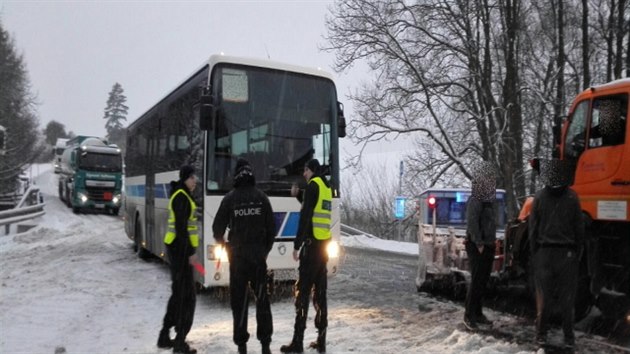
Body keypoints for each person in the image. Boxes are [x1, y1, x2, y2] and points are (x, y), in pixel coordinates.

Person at [213, 158, 276, 354]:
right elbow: (272, 231)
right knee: (262, 301)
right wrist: (263, 252)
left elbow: (217, 229)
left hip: (238, 260)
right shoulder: (262, 198)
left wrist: (226, 247)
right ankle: (265, 344)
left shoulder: (230, 199)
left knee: (239, 303)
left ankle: (242, 345)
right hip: (258, 260)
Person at [529, 158, 584, 351]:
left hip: (545, 253)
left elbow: (532, 229)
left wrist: (536, 252)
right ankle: (568, 337)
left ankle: (541, 335)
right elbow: (580, 229)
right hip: (567, 254)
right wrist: (576, 252)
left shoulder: (539, 198)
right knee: (567, 299)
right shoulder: (572, 197)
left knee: (544, 299)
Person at [281, 159, 332, 354]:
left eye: (305, 171)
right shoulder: (326, 186)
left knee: (302, 294)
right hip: (323, 248)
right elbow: (315, 204)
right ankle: (322, 339)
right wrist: (299, 196)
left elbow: (306, 215)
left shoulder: (313, 185)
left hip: (310, 249)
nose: (303, 174)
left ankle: (297, 342)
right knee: (320, 295)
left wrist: (296, 245)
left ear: (311, 171)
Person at [157, 165, 199, 354]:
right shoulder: (181, 197)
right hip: (180, 250)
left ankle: (165, 335)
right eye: (192, 178)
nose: (195, 181)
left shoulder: (182, 195)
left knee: (178, 294)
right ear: (184, 179)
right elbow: (182, 228)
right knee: (187, 296)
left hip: (177, 249)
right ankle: (180, 341)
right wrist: (190, 252)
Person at [463, 162, 497, 331]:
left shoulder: (488, 202)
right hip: (478, 246)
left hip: (488, 245)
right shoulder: (475, 200)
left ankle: (478, 313)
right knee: (476, 281)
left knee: (483, 281)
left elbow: (490, 224)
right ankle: (469, 315)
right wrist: (479, 243)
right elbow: (472, 223)